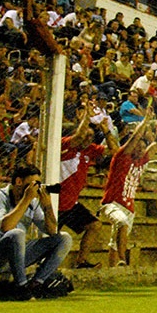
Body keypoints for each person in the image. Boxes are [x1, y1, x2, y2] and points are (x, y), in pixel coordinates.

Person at [0, 164, 72, 300]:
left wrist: (47, 205)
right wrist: (26, 199)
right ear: (19, 181)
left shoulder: (33, 203)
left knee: (64, 238)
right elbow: (6, 227)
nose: (36, 187)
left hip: (16, 258)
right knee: (16, 233)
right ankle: (21, 287)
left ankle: (36, 284)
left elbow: (52, 231)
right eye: (34, 183)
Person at [99, 103, 157, 266]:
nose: (140, 150)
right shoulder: (122, 158)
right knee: (121, 222)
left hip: (129, 208)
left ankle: (112, 272)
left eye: (142, 148)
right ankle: (123, 261)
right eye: (138, 147)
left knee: (114, 242)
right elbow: (134, 138)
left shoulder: (141, 161)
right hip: (112, 204)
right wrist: (145, 120)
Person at [57, 109, 119, 269]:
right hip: (54, 201)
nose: (87, 138)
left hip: (70, 203)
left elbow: (114, 151)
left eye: (91, 136)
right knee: (51, 237)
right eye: (85, 134)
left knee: (94, 225)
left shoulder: (90, 150)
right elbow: (78, 136)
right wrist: (86, 116)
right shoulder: (65, 144)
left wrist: (106, 131)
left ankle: (81, 261)